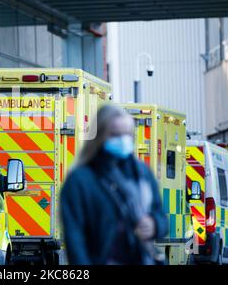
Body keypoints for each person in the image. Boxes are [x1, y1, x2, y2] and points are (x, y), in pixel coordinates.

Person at [60, 104, 168, 265]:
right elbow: (75, 239)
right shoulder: (80, 180)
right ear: (99, 137)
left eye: (127, 134)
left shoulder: (142, 173)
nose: (123, 140)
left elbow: (161, 215)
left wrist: (154, 224)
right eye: (115, 134)